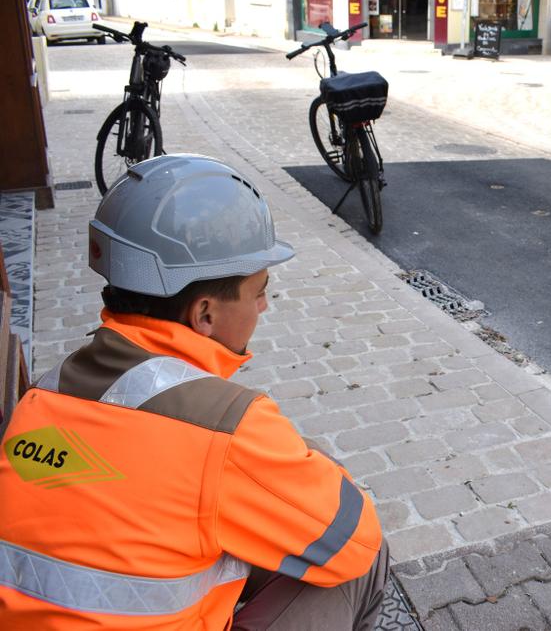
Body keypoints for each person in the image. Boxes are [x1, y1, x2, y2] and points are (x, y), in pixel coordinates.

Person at [0, 155, 387, 630]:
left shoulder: (43, 393)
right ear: (205, 313)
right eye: (259, 290)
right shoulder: (226, 428)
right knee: (357, 557)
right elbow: (355, 544)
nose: (264, 306)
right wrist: (306, 462)